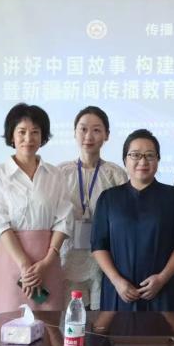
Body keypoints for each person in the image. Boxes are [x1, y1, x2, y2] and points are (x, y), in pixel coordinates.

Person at [0, 103, 74, 314]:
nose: (28, 138)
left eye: (35, 132)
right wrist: (24, 264)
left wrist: (48, 261)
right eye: (22, 132)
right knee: (9, 320)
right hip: (12, 258)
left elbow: (64, 219)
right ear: (11, 136)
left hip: (47, 258)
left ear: (43, 137)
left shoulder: (55, 174)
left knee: (49, 320)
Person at [91, 129, 174, 311]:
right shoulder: (109, 198)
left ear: (158, 160)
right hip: (119, 291)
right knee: (118, 329)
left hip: (162, 290)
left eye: (150, 155)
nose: (143, 161)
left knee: (162, 330)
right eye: (135, 155)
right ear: (125, 160)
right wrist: (117, 281)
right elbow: (99, 245)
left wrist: (162, 278)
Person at [58, 106, 128, 309]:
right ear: (74, 132)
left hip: (104, 258)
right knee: (70, 315)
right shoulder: (61, 173)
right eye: (83, 129)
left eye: (97, 130)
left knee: (101, 316)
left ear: (107, 135)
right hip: (68, 255)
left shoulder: (115, 174)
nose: (89, 136)